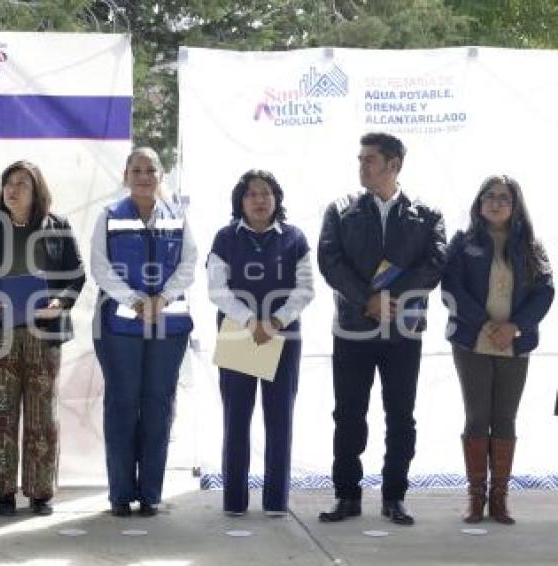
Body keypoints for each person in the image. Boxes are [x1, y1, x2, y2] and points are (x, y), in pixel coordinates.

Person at [317, 132, 446, 525]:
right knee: (349, 415)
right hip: (354, 329)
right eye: (360, 159)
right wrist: (366, 299)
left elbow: (435, 262)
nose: (362, 166)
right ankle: (346, 496)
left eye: (369, 159)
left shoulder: (427, 214)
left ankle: (395, 497)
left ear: (394, 164)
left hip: (403, 330)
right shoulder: (341, 210)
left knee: (401, 416)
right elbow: (330, 260)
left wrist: (391, 298)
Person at [0, 160, 85, 516]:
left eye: (22, 184)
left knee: (41, 415)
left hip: (42, 333)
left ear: (37, 192)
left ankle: (40, 492)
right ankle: (3, 491)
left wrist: (59, 303)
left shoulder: (58, 227)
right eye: (8, 183)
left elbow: (76, 277)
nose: (13, 190)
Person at [442, 174, 553, 525]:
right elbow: (452, 286)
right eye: (489, 196)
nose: (496, 202)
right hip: (472, 341)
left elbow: (545, 292)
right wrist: (486, 324)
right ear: (479, 202)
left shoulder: (531, 247)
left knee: (504, 418)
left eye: (504, 197)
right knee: (477, 416)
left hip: (515, 343)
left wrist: (513, 326)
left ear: (515, 205)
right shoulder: (462, 242)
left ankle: (500, 500)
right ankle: (475, 499)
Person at [91, 147, 196, 517]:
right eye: (136, 169)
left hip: (169, 329)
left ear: (160, 176)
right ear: (126, 175)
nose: (143, 176)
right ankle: (120, 494)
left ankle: (151, 494)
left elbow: (188, 264)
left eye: (150, 170)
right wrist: (137, 301)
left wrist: (162, 299)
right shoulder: (109, 217)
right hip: (120, 329)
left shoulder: (178, 218)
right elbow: (101, 267)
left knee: (158, 406)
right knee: (122, 406)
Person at [206, 169, 314, 517]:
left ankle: (275, 501)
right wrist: (251, 321)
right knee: (236, 418)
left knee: (279, 418)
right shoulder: (225, 238)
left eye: (266, 193)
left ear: (276, 199)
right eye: (251, 194)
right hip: (239, 332)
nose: (259, 199)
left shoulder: (294, 238)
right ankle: (234, 501)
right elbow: (217, 290)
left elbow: (305, 288)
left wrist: (276, 321)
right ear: (240, 200)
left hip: (283, 334)